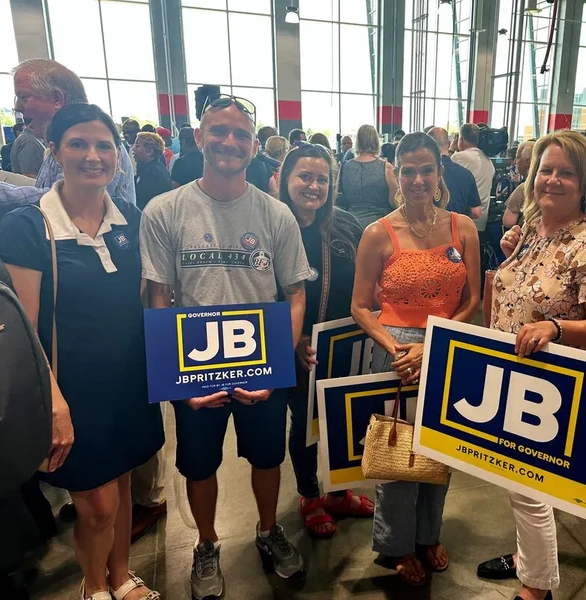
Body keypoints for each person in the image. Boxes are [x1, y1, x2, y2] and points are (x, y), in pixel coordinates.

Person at [140, 95, 310, 598]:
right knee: (199, 465)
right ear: (199, 137)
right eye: (219, 131)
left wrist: (276, 367)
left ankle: (267, 530)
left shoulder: (276, 214)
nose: (229, 142)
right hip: (195, 368)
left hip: (260, 362)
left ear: (254, 146)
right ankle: (207, 543)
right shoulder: (165, 210)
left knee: (267, 459)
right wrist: (177, 382)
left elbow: (295, 294)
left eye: (241, 135)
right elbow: (158, 298)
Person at [0, 103, 164, 600]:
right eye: (78, 144)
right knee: (96, 507)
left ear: (118, 155)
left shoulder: (131, 220)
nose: (93, 156)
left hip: (129, 385)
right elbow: (26, 331)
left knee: (123, 487)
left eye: (103, 146)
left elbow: (146, 304)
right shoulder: (29, 228)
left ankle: (122, 575)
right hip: (72, 393)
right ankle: (94, 587)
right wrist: (53, 401)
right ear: (55, 151)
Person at [478, 131, 586, 600]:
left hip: (551, 387)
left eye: (566, 173)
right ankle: (527, 557)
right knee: (514, 478)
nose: (552, 180)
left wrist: (557, 328)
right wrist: (511, 259)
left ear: (585, 183)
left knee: (529, 488)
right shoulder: (531, 227)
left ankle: (536, 588)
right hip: (511, 376)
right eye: (546, 170)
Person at [351, 132, 481, 586]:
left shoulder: (463, 228)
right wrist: (395, 349)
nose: (418, 179)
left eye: (427, 170)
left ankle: (428, 534)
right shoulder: (377, 233)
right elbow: (360, 306)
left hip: (445, 345)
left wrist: (436, 343)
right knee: (397, 453)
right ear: (397, 176)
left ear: (440, 173)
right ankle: (397, 545)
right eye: (409, 171)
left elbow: (473, 300)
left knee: (441, 448)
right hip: (396, 351)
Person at [275, 144, 375, 538]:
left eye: (322, 179)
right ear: (286, 179)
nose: (314, 186)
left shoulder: (347, 224)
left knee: (341, 421)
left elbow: (370, 278)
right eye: (305, 176)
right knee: (304, 423)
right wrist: (294, 337)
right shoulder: (273, 224)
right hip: (297, 348)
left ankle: (337, 492)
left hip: (346, 343)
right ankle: (310, 496)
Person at [12, 59, 136, 207]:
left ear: (57, 99)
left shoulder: (88, 144)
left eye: (24, 97)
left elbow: (75, 202)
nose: (17, 106)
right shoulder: (60, 142)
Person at [337, 124, 398, 227]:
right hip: (380, 226)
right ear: (376, 142)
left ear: (357, 142)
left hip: (351, 226)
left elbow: (338, 199)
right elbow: (395, 202)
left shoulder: (345, 167)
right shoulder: (387, 168)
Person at [427, 127, 481, 218]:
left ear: (427, 146)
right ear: (449, 144)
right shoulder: (467, 174)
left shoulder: (422, 175)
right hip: (457, 225)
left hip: (429, 225)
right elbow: (476, 212)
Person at [452, 123, 495, 232]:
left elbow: (444, 172)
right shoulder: (489, 162)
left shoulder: (458, 157)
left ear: (460, 140)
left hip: (462, 222)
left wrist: (451, 149)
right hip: (481, 222)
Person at [131, 132, 172, 211]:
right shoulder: (146, 167)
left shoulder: (154, 173)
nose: (133, 149)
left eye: (137, 146)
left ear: (149, 151)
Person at [502, 140, 534, 228]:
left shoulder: (524, 188)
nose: (515, 162)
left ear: (527, 162)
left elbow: (508, 222)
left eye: (517, 157)